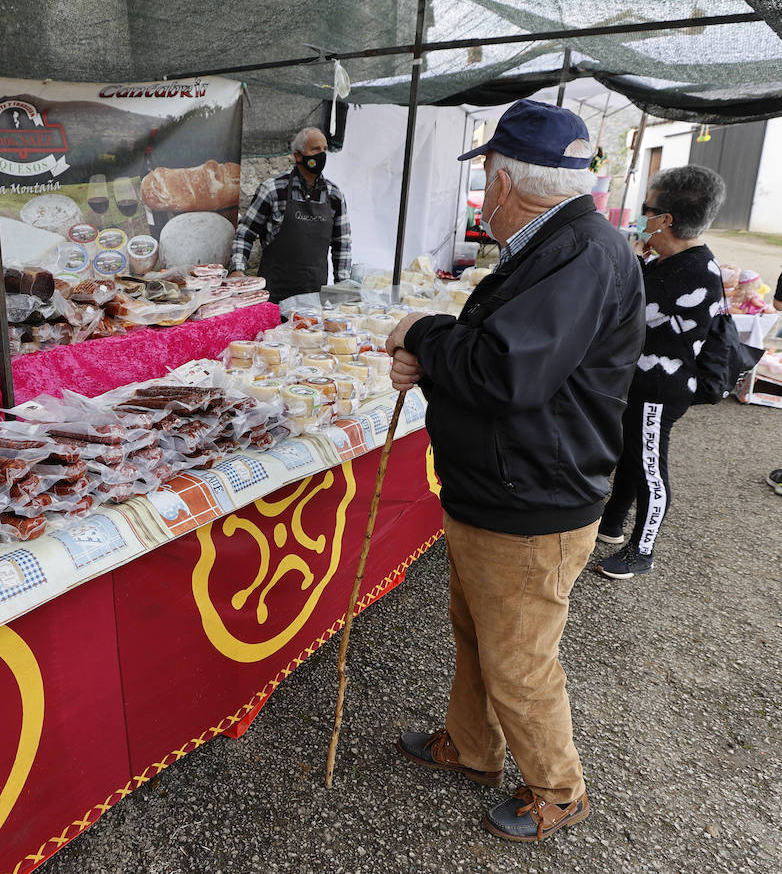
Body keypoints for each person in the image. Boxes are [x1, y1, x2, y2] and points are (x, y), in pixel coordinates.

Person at [383, 99, 645, 842]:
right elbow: (511, 366)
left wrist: (424, 334)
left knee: (520, 659)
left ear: (501, 181)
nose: (482, 196)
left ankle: (559, 790)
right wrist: (435, 359)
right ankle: (471, 749)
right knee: (477, 632)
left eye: (485, 180)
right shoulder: (557, 244)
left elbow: (505, 373)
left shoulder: (583, 252)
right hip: (503, 486)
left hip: (534, 497)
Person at [596, 166, 727, 579]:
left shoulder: (693, 271)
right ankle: (613, 524)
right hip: (641, 382)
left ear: (665, 219)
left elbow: (628, 309)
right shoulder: (672, 261)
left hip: (661, 388)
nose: (641, 216)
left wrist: (630, 261)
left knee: (650, 468)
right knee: (630, 456)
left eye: (646, 209)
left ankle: (642, 550)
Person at [229, 127, 350, 303]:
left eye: (325, 150)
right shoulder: (272, 190)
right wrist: (237, 269)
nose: (322, 155)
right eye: (315, 149)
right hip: (273, 295)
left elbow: (342, 244)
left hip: (313, 299)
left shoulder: (334, 196)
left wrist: (343, 286)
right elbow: (245, 233)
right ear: (298, 155)